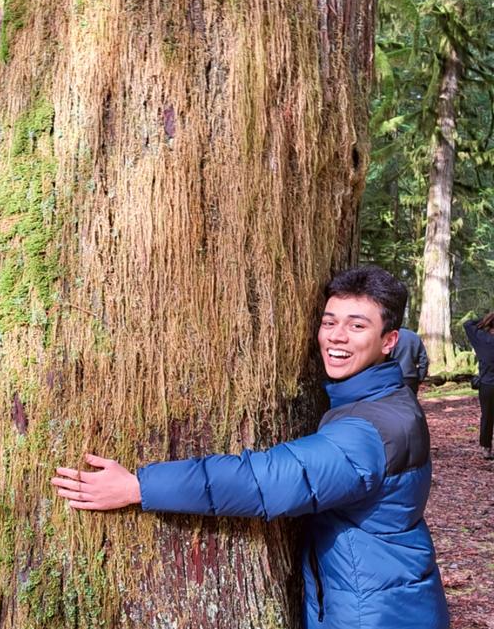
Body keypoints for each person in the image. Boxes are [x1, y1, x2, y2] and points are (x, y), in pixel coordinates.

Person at [52, 266, 449, 629]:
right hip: (393, 595)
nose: (336, 336)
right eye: (329, 322)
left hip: (376, 613)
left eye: (357, 325)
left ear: (388, 340)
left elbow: (266, 481)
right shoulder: (387, 400)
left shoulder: (367, 432)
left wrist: (139, 487)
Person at [463, 312, 494, 460]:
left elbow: (467, 324)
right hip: (487, 383)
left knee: (487, 417)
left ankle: (486, 448)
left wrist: (485, 319)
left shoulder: (481, 339)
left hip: (487, 385)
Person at [390, 327, 429, 393]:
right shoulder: (415, 336)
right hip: (411, 379)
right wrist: (420, 378)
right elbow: (424, 360)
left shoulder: (389, 336)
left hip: (392, 378)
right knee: (410, 402)